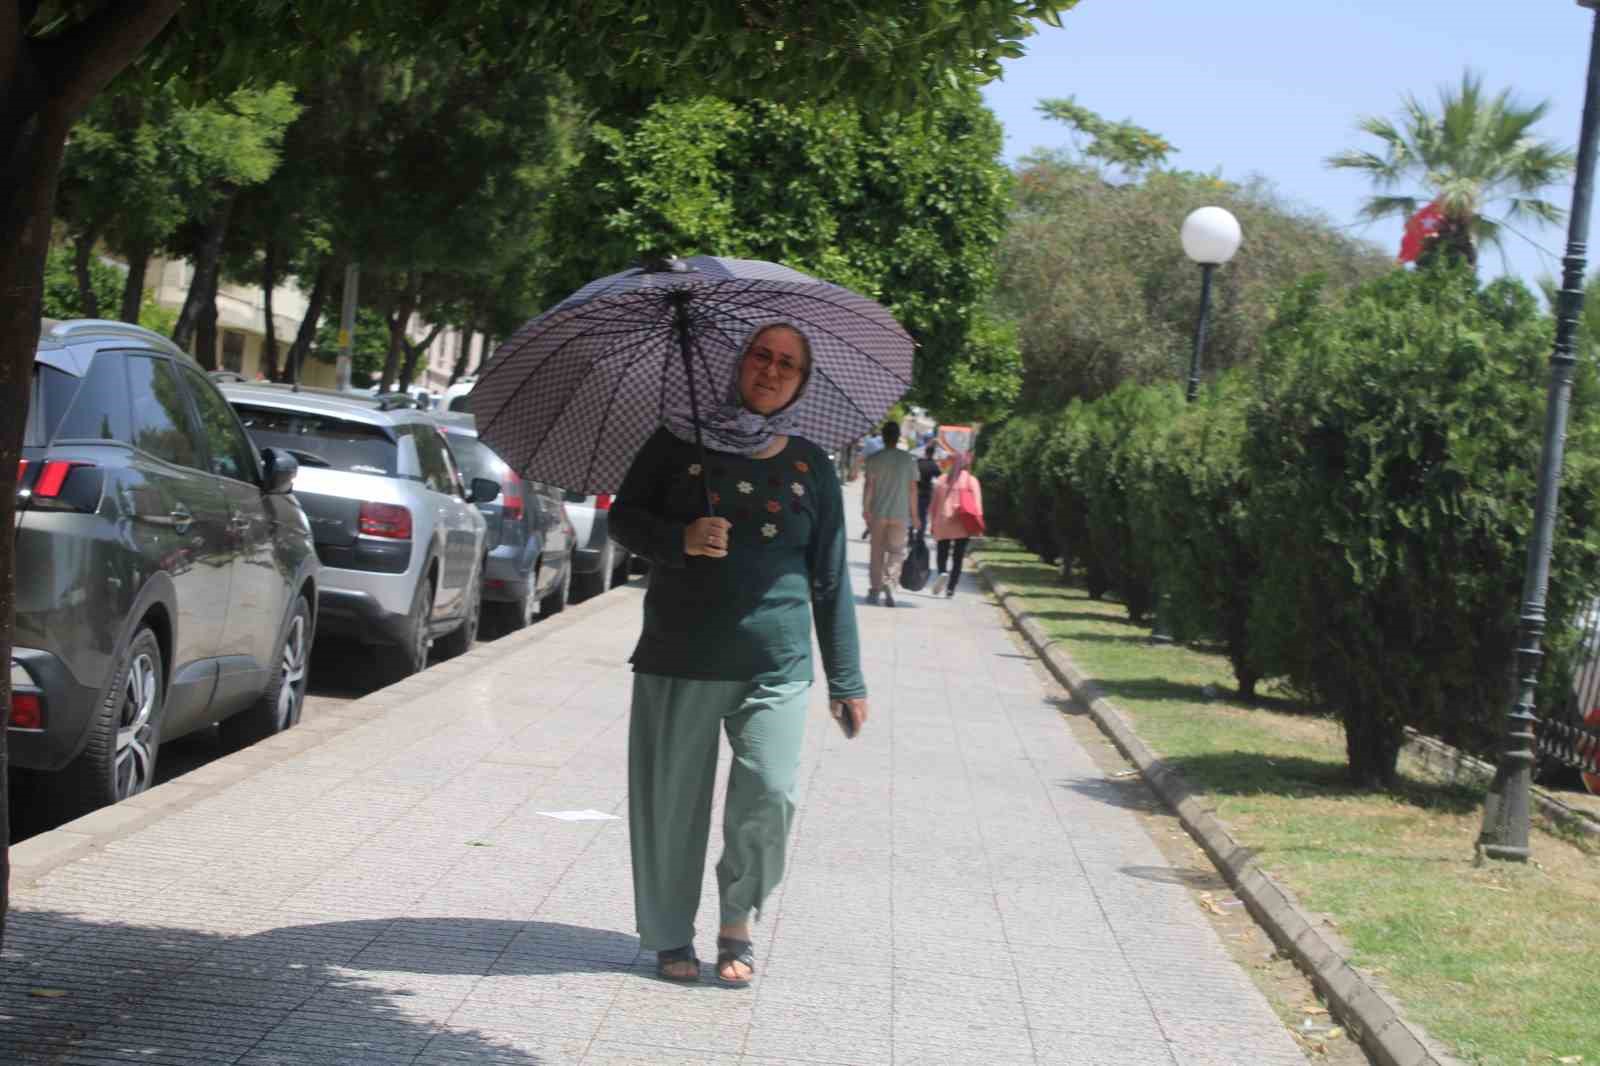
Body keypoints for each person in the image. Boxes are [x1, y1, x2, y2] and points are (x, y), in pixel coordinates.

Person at [608, 322, 869, 988]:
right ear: (738, 363)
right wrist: (682, 536)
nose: (773, 370)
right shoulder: (674, 441)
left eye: (789, 364)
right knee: (673, 803)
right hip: (680, 652)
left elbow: (831, 575)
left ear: (802, 382)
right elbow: (624, 519)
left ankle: (737, 924)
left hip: (776, 662)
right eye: (762, 355)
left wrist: (847, 677)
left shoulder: (811, 463)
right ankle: (670, 934)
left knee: (771, 792)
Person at [861, 421, 918, 606]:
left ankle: (875, 590)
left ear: (883, 437)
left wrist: (866, 509)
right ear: (897, 437)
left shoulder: (874, 459)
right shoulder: (908, 460)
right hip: (900, 513)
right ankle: (889, 582)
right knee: (896, 551)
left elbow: (869, 486)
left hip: (879, 512)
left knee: (876, 551)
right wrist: (915, 516)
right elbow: (912, 490)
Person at [929, 450, 983, 598]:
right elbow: (978, 507)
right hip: (962, 522)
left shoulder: (942, 480)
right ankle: (951, 588)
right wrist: (978, 526)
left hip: (943, 520)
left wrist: (932, 523)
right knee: (958, 557)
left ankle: (942, 572)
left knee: (942, 551)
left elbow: (933, 506)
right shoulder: (972, 481)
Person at [916, 441, 942, 535]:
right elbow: (940, 477)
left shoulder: (918, 462)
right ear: (933, 453)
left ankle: (911, 534)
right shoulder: (933, 465)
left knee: (912, 514)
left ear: (925, 452)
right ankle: (920, 536)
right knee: (923, 516)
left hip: (914, 492)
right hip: (926, 493)